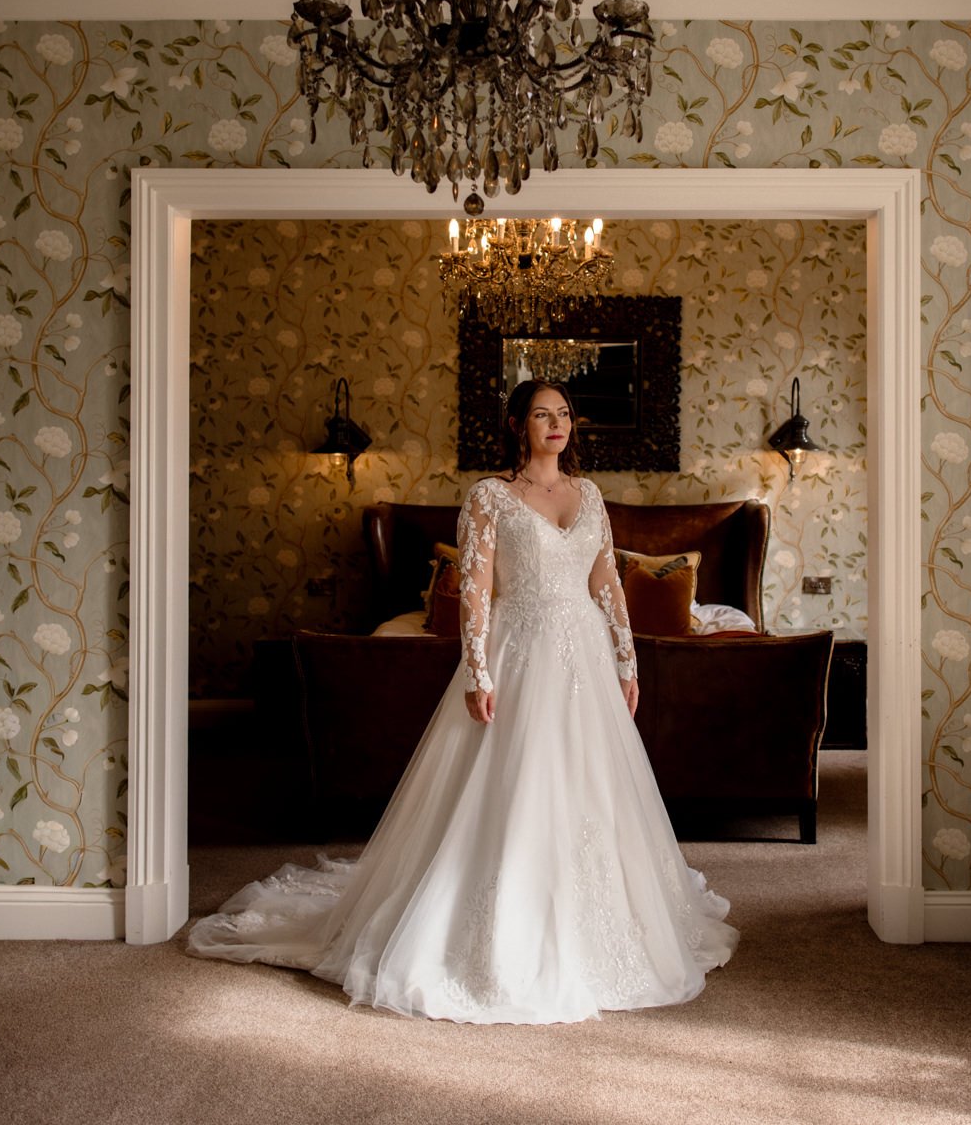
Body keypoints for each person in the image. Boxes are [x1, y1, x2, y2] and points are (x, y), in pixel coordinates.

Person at [186, 378, 737, 1023]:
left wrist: (627, 658)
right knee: (513, 784)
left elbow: (607, 581)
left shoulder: (588, 495)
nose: (556, 425)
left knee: (589, 787)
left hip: (584, 656)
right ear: (516, 424)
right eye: (541, 415)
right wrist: (478, 670)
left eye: (563, 415)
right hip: (519, 652)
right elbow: (475, 591)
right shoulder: (489, 498)